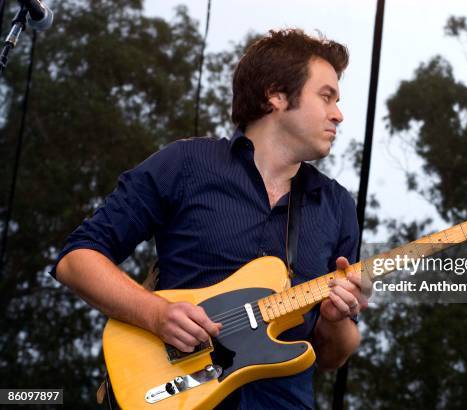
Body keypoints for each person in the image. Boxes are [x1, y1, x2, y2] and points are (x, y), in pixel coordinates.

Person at [51, 28, 368, 409]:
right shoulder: (187, 164)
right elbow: (77, 259)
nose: (339, 114)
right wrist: (156, 314)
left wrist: (336, 317)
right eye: (326, 97)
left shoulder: (336, 206)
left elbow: (334, 356)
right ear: (276, 95)